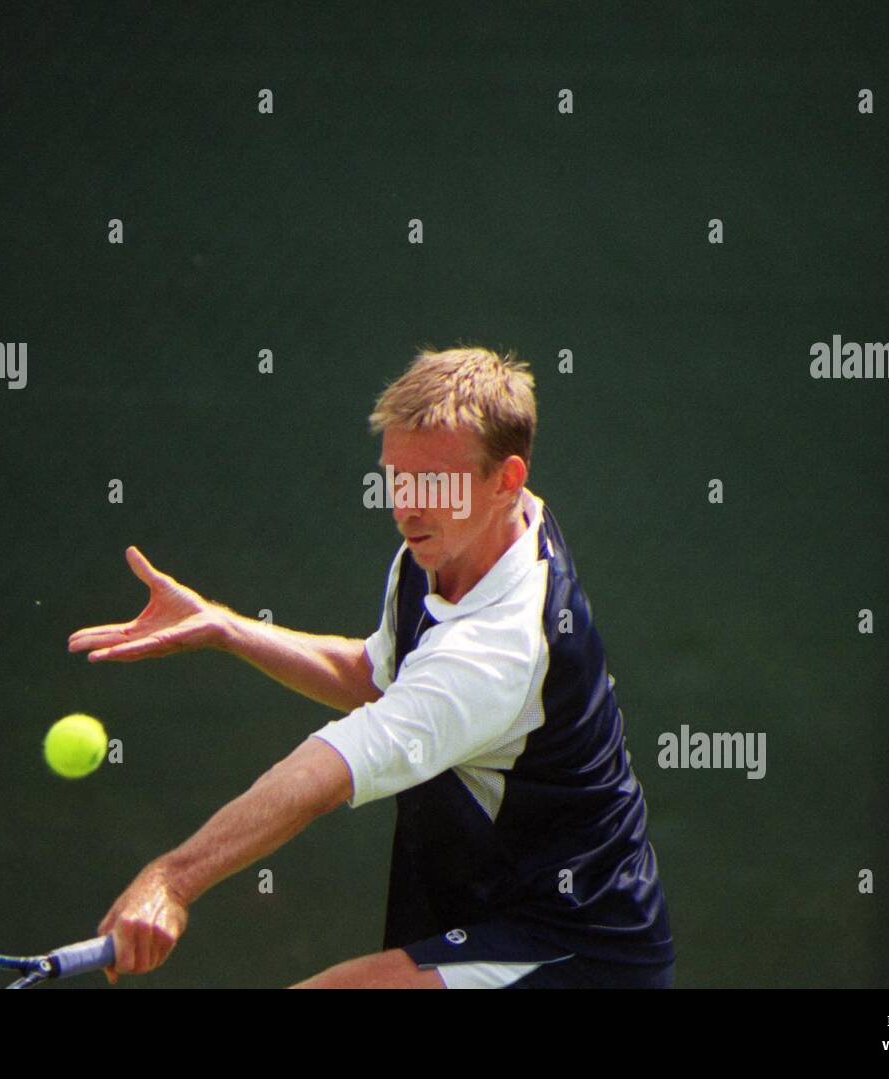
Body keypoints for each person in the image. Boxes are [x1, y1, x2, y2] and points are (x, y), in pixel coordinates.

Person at [68, 346, 675, 988]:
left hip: (577, 948)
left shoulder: (499, 647)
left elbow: (322, 776)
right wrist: (226, 627)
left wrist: (173, 879)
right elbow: (376, 678)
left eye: (434, 482)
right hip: (484, 926)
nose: (406, 506)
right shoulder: (460, 541)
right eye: (397, 477)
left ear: (507, 478)